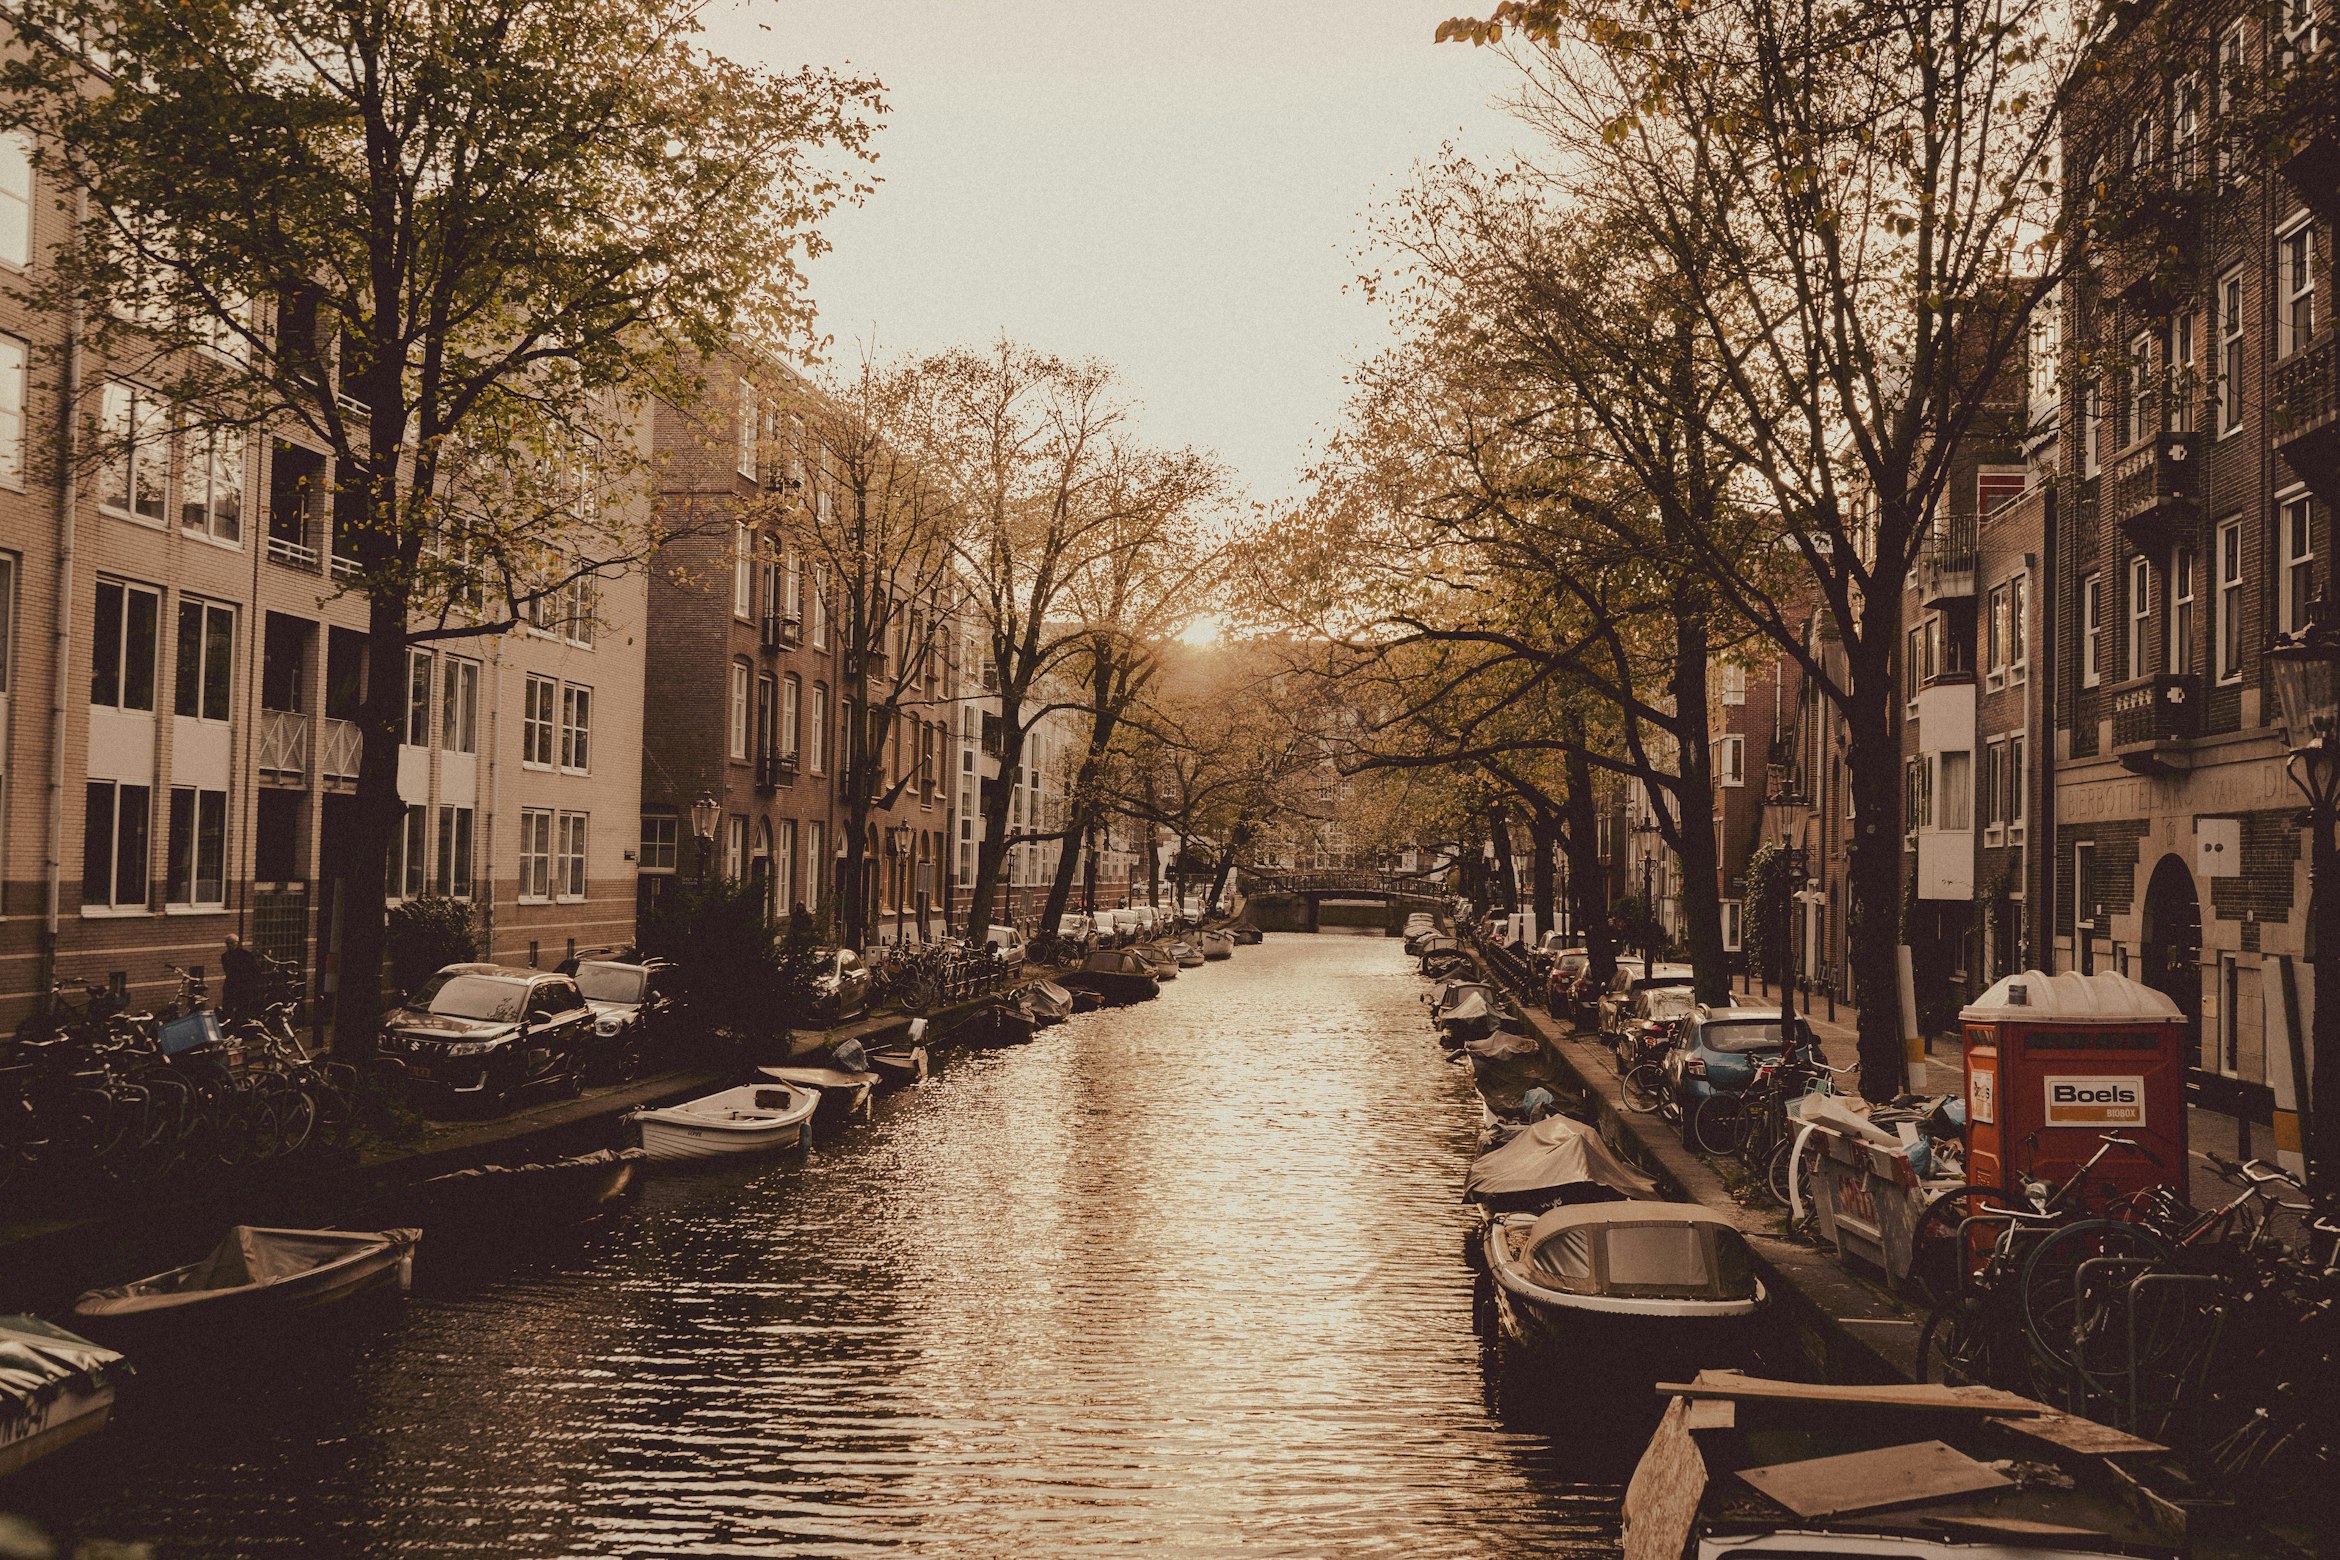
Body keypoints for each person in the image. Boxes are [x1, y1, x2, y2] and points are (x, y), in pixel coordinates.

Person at [220, 934, 263, 1020]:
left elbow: (254, 970)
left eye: (231, 943)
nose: (229, 945)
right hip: (231, 985)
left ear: (237, 943)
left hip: (243, 985)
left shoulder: (246, 955)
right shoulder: (225, 956)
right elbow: (228, 970)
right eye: (227, 943)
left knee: (242, 1008)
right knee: (227, 1007)